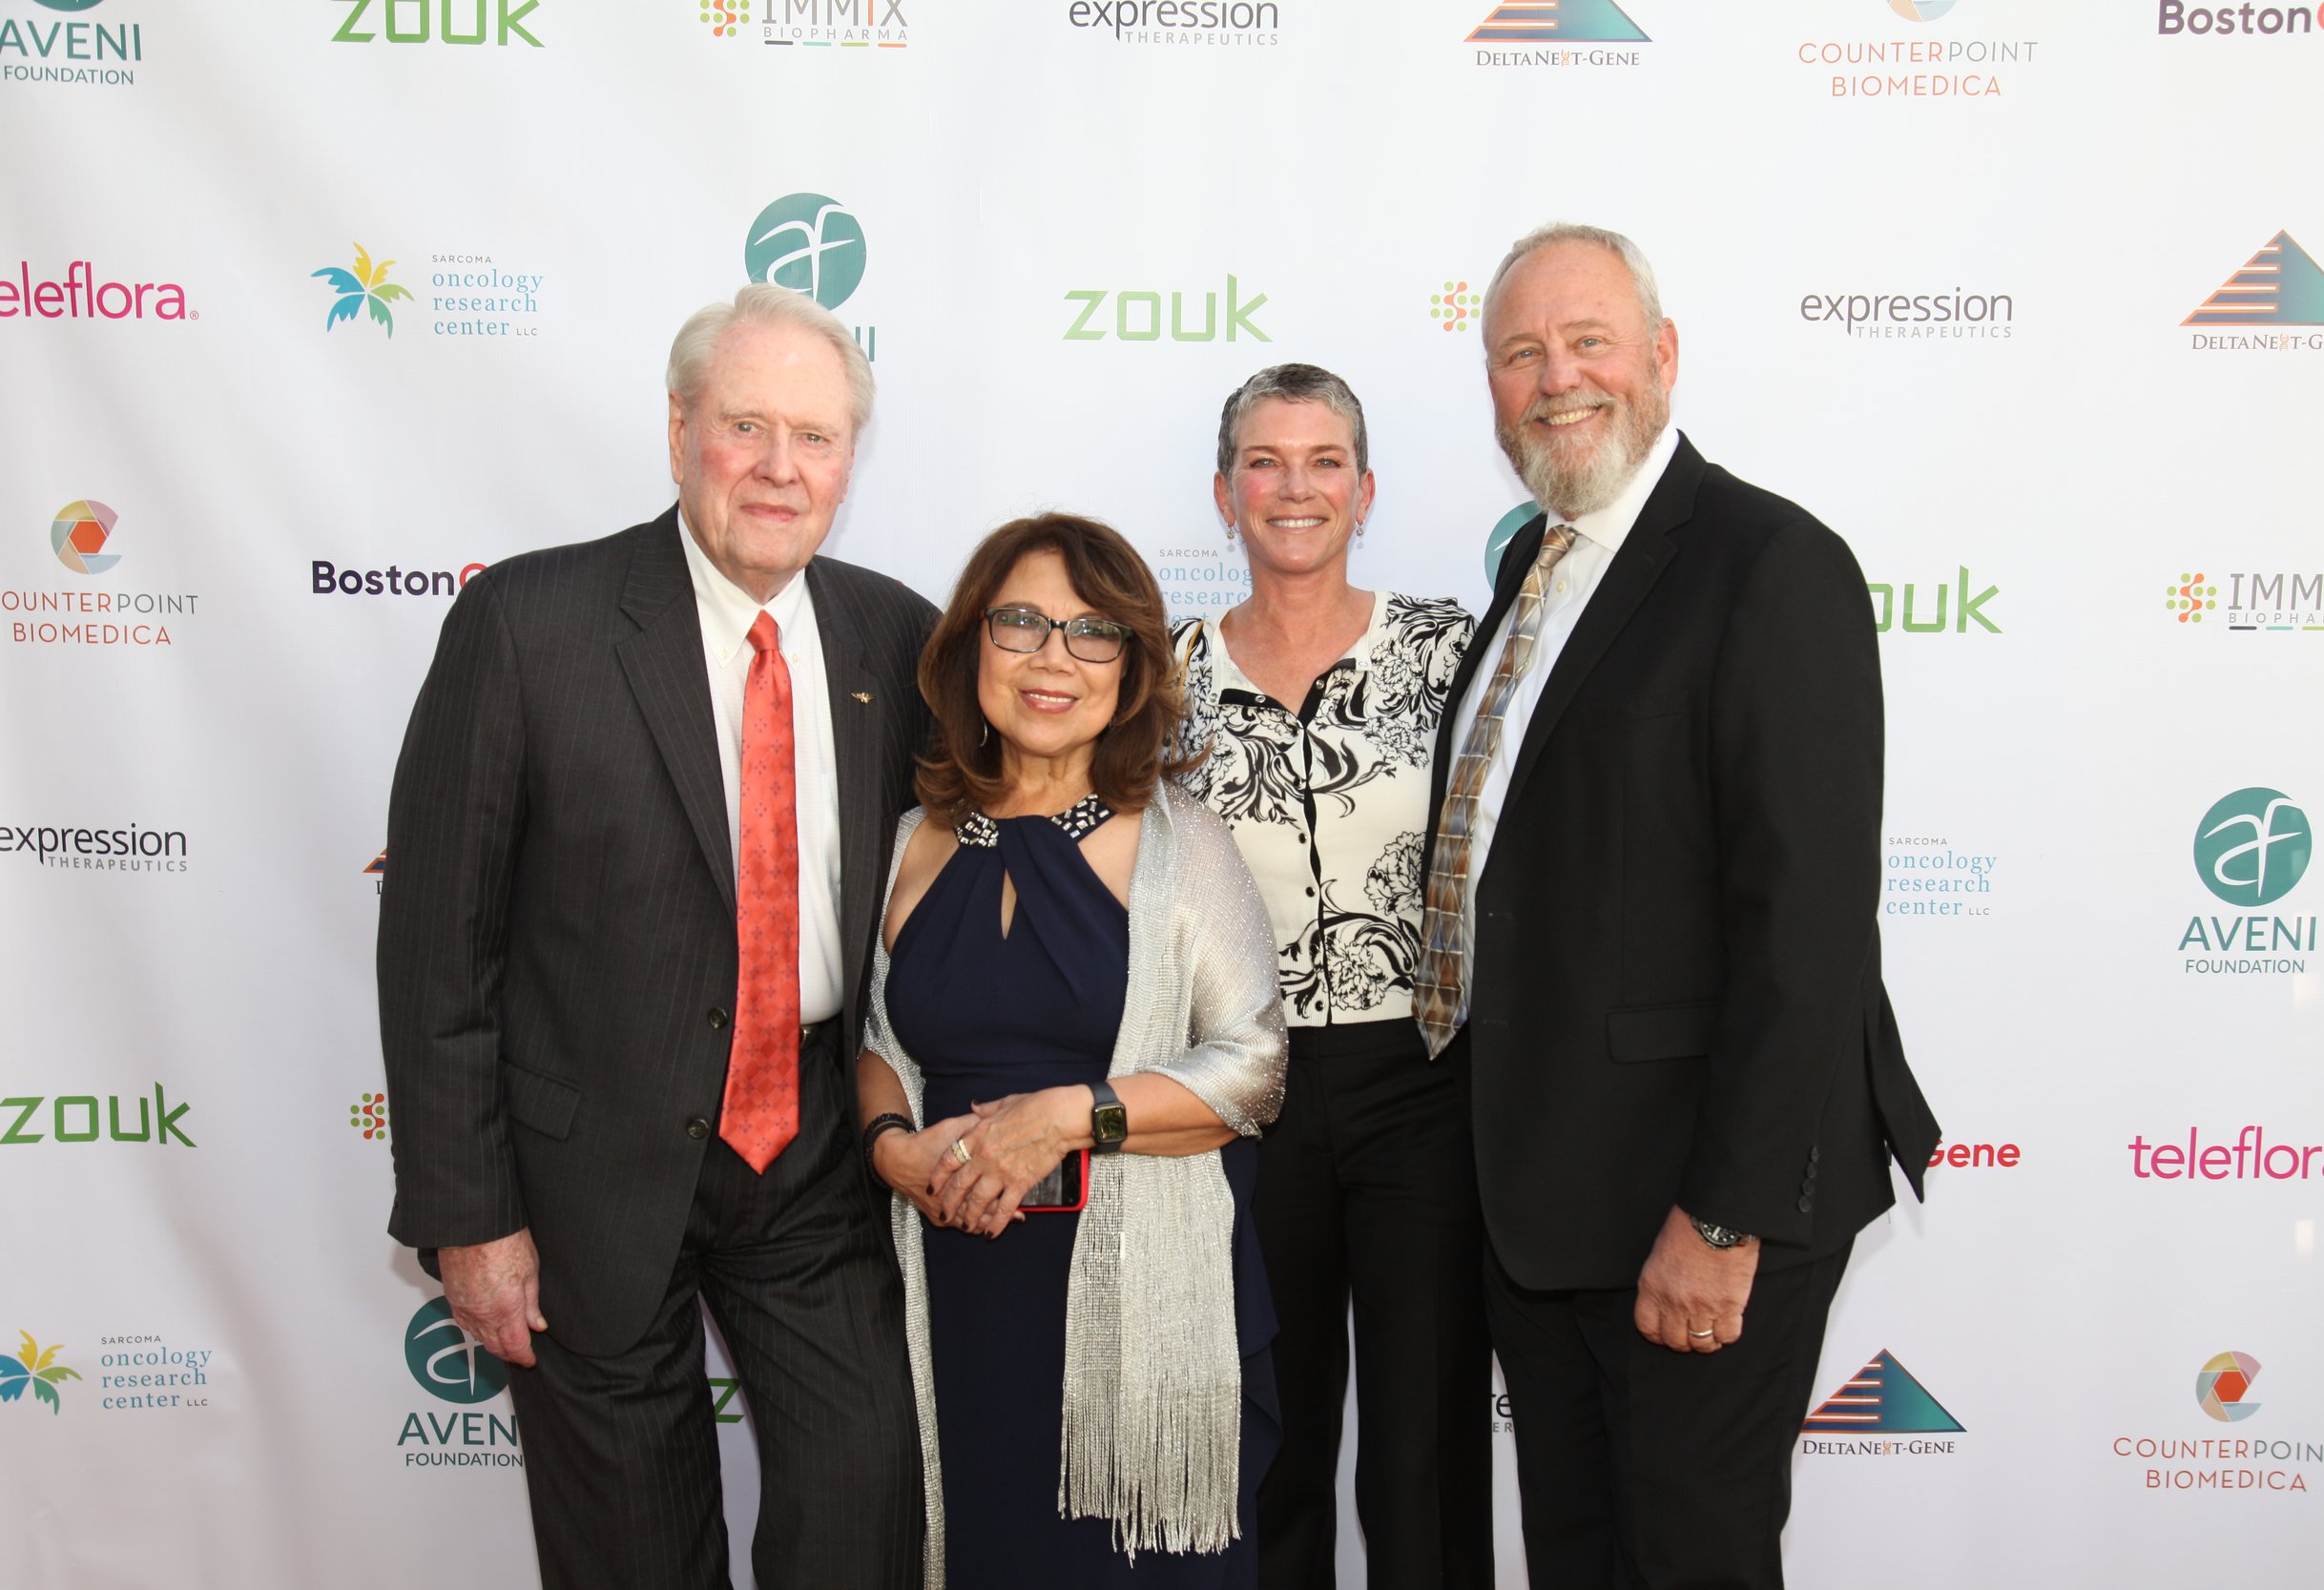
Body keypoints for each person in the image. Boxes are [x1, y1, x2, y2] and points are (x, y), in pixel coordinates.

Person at [379, 282, 936, 1588]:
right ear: (682, 426)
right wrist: (472, 1219)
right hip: (585, 1171)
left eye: (816, 436)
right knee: (629, 1546)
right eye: (748, 426)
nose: (781, 467)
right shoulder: (529, 626)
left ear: (852, 457)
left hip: (812, 1150)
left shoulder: (894, 633)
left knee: (866, 1503)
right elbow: (435, 946)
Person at [1414, 225, 1940, 1590]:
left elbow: (1807, 926)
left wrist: (1722, 1215)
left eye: (1587, 341)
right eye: (1520, 353)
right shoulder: (1540, 558)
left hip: (1696, 1197)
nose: (1555, 377)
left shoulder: (1769, 564)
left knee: (1689, 1558)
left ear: (1661, 357)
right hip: (1552, 1197)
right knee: (1583, 1555)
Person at [855, 513, 1287, 1589]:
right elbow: (877, 1038)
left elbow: (1254, 1064)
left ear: (1133, 667)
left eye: (1094, 631)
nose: (1054, 658)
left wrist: (1065, 1114)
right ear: (971, 648)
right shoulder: (914, 838)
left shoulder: (1181, 841)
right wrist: (891, 1148)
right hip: (960, 1289)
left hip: (1132, 1296)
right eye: (1022, 623)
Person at [1172, 363, 1491, 1589]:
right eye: (1265, 461)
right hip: (1246, 1094)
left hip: (1421, 1081)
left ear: (1364, 492)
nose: (1292, 487)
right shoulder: (1167, 677)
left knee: (1426, 1436)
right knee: (1274, 1431)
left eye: (1321, 464)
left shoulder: (1450, 653)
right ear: (1224, 491)